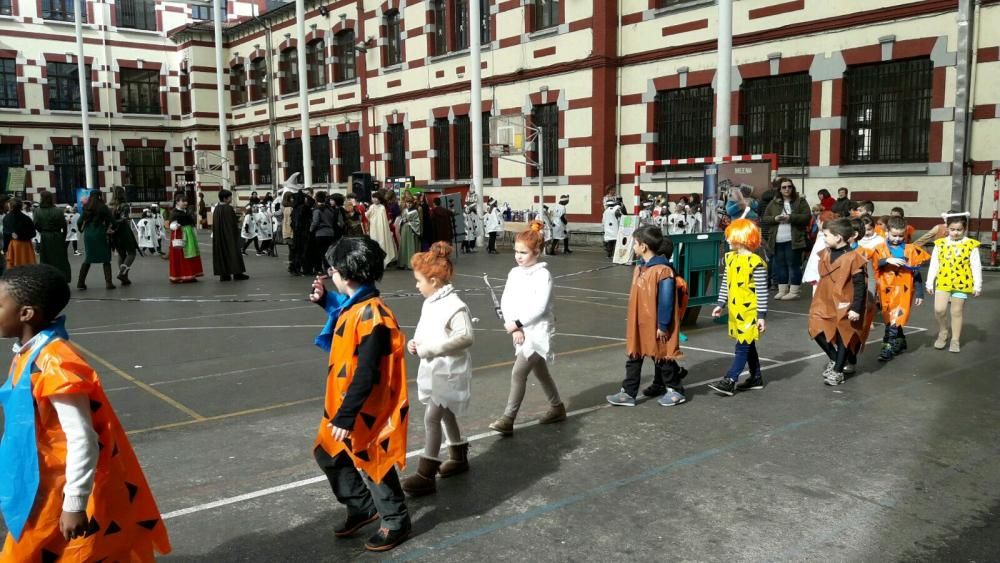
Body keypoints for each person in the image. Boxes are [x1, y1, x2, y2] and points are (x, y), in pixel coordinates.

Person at [0, 264, 172, 560]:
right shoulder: (29, 352)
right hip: (38, 483)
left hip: (58, 489)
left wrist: (75, 503)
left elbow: (82, 438)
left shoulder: (55, 362)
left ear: (26, 313)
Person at [309, 237, 412, 552]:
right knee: (328, 453)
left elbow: (367, 372)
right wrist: (325, 299)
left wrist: (348, 414)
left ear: (347, 274)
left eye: (334, 270)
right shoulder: (356, 304)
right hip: (343, 402)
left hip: (366, 407)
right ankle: (362, 506)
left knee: (372, 461)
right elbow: (344, 313)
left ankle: (396, 520)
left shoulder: (374, 316)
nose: (330, 273)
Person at [400, 242, 474, 496]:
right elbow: (426, 329)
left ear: (433, 280)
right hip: (436, 367)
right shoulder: (431, 301)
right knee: (445, 413)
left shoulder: (454, 304)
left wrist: (430, 349)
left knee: (432, 417)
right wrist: (416, 342)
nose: (417, 285)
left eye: (419, 280)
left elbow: (465, 337)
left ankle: (426, 473)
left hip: (449, 370)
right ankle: (459, 454)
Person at [488, 221, 566, 435]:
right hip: (521, 330)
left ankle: (508, 419)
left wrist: (518, 323)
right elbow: (507, 300)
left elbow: (539, 308)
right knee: (540, 372)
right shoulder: (514, 273)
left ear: (537, 252)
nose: (518, 256)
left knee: (518, 372)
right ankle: (557, 407)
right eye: (516, 251)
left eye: (523, 252)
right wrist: (514, 327)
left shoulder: (543, 275)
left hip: (538, 332)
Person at [606, 225, 689, 407]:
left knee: (663, 356)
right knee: (634, 356)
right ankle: (628, 392)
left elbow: (666, 301)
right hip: (641, 323)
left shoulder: (663, 271)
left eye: (635, 243)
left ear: (643, 246)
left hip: (657, 324)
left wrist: (663, 325)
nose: (633, 247)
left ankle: (675, 390)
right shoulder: (641, 268)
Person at [808, 218, 875, 386]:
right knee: (815, 328)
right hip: (823, 299)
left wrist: (856, 308)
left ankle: (838, 370)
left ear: (838, 237)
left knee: (843, 335)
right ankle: (835, 358)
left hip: (844, 301)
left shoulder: (854, 257)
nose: (823, 238)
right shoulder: (825, 253)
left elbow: (860, 285)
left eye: (826, 235)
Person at [708, 219, 769, 396]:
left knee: (742, 346)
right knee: (747, 345)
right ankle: (756, 377)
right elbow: (726, 282)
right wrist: (721, 303)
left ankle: (730, 379)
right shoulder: (730, 258)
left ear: (742, 238)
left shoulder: (755, 262)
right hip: (736, 310)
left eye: (730, 237)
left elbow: (762, 291)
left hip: (750, 311)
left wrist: (761, 315)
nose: (727, 240)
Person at [868, 215, 930, 362]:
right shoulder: (879, 249)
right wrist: (886, 260)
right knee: (890, 318)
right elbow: (874, 265)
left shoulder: (911, 250)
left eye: (900, 236)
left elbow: (916, 272)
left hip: (903, 291)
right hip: (884, 290)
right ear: (887, 232)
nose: (897, 239)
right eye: (894, 235)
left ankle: (887, 347)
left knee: (894, 318)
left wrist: (920, 293)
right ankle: (900, 341)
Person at [925, 212, 982, 353]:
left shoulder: (971, 245)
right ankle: (943, 331)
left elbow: (976, 266)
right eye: (952, 229)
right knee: (939, 309)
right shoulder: (940, 244)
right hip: (943, 280)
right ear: (947, 228)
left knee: (956, 311)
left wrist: (977, 284)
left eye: (959, 230)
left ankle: (955, 340)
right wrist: (929, 281)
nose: (955, 233)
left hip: (962, 283)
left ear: (965, 229)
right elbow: (934, 264)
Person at [761, 177, 811, 301]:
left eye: (789, 186)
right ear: (780, 189)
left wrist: (791, 217)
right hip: (777, 239)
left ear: (792, 188)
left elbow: (807, 217)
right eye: (784, 187)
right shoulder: (774, 203)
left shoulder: (800, 201)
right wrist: (775, 219)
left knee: (793, 265)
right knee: (780, 265)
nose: (787, 189)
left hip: (794, 239)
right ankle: (782, 290)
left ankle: (794, 291)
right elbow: (765, 219)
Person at [76, 191, 115, 290]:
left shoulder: (87, 207)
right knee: (106, 258)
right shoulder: (103, 207)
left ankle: (80, 282)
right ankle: (108, 283)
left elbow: (79, 221)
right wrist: (110, 229)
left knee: (88, 258)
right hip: (100, 233)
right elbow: (113, 221)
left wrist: (81, 229)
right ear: (100, 196)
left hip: (88, 233)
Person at [32, 191, 70, 284]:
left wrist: (42, 232)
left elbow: (36, 224)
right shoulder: (58, 210)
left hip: (45, 236)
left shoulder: (37, 211)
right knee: (60, 259)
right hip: (57, 236)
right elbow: (64, 225)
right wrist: (63, 237)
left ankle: (47, 280)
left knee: (46, 259)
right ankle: (62, 278)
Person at [212, 189, 249, 282]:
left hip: (220, 236)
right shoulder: (228, 208)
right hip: (229, 236)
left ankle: (224, 274)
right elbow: (232, 223)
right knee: (233, 253)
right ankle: (237, 273)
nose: (231, 199)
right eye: (230, 197)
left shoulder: (217, 208)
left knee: (222, 253)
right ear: (225, 199)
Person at [168, 194, 203, 283]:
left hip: (189, 235)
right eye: (183, 201)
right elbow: (171, 225)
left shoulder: (186, 211)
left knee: (191, 255)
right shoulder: (174, 212)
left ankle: (191, 274)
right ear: (177, 202)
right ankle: (180, 276)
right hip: (180, 235)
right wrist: (176, 225)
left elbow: (191, 223)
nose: (185, 203)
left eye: (186, 201)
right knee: (181, 257)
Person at [109, 186, 139, 286]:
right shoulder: (124, 206)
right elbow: (124, 219)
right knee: (131, 253)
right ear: (122, 194)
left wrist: (112, 228)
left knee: (122, 254)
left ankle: (124, 278)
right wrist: (117, 225)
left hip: (114, 234)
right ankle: (122, 273)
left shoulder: (110, 206)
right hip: (124, 232)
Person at [310, 191, 343, 274]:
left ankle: (321, 269)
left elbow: (315, 222)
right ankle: (329, 267)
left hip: (320, 233)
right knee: (328, 251)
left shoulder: (317, 210)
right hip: (330, 232)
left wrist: (311, 229)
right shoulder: (330, 209)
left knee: (320, 252)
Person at [3, 198, 37, 270]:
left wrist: (5, 249)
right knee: (26, 264)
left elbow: (5, 234)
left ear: (11, 207)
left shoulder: (6, 218)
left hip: (14, 245)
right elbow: (33, 233)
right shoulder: (26, 218)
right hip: (25, 244)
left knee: (14, 267)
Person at [366, 191, 398, 267]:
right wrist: (371, 221)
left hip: (381, 229)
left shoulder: (382, 207)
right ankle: (376, 263)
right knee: (374, 243)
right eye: (373, 198)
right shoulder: (371, 207)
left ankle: (382, 263)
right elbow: (367, 215)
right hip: (374, 228)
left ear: (379, 199)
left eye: (376, 198)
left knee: (382, 243)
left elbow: (385, 220)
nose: (374, 199)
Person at [397, 195, 422, 270]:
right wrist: (402, 221)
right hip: (404, 229)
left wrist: (410, 223)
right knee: (403, 245)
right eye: (407, 203)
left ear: (413, 203)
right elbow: (402, 218)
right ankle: (402, 263)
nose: (409, 204)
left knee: (410, 246)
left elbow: (417, 222)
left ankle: (410, 264)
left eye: (410, 203)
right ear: (405, 203)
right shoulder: (404, 210)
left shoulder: (415, 211)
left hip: (411, 229)